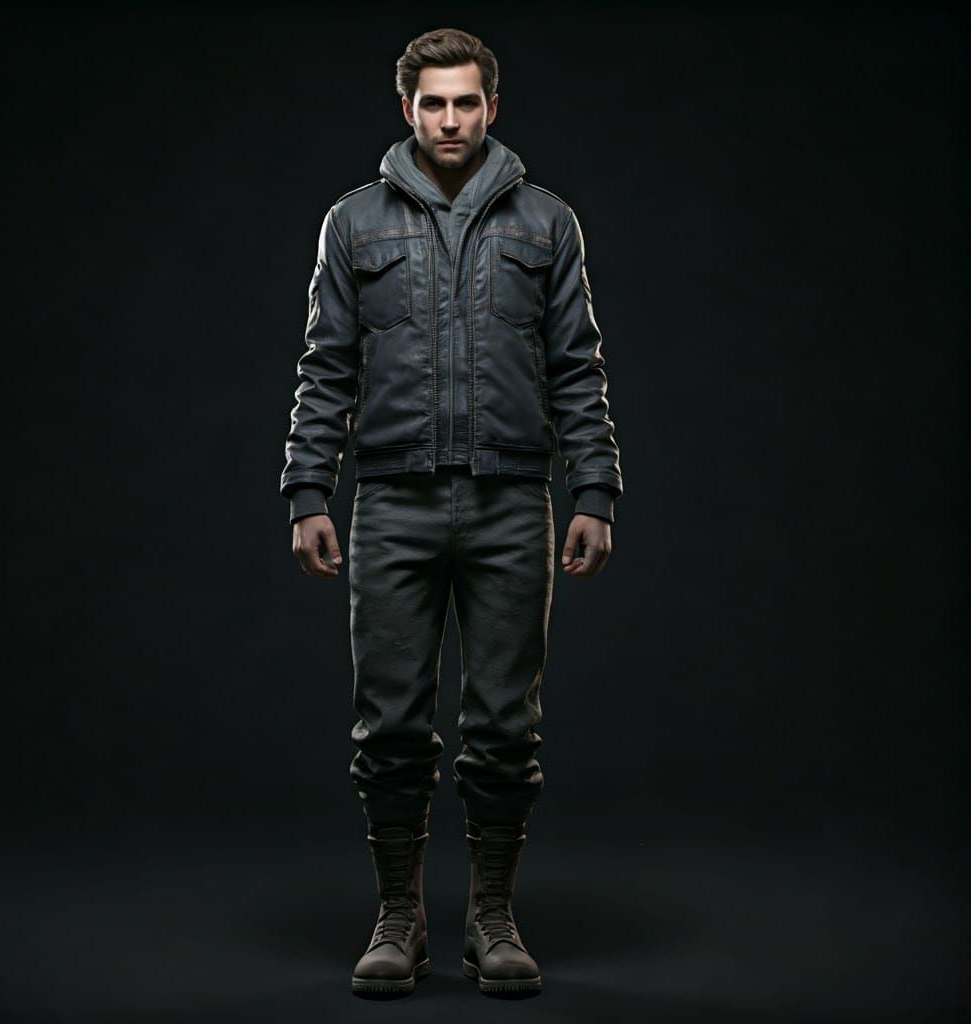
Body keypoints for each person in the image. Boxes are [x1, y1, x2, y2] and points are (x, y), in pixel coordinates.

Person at [279, 27, 623, 998]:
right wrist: (308, 488)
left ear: (491, 107)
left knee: (505, 723)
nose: (449, 119)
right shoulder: (353, 224)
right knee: (387, 721)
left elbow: (576, 366)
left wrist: (593, 488)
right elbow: (324, 368)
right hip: (391, 502)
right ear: (406, 110)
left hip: (515, 502)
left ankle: (491, 918)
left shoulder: (546, 224)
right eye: (432, 103)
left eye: (465, 102)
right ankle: (398, 918)